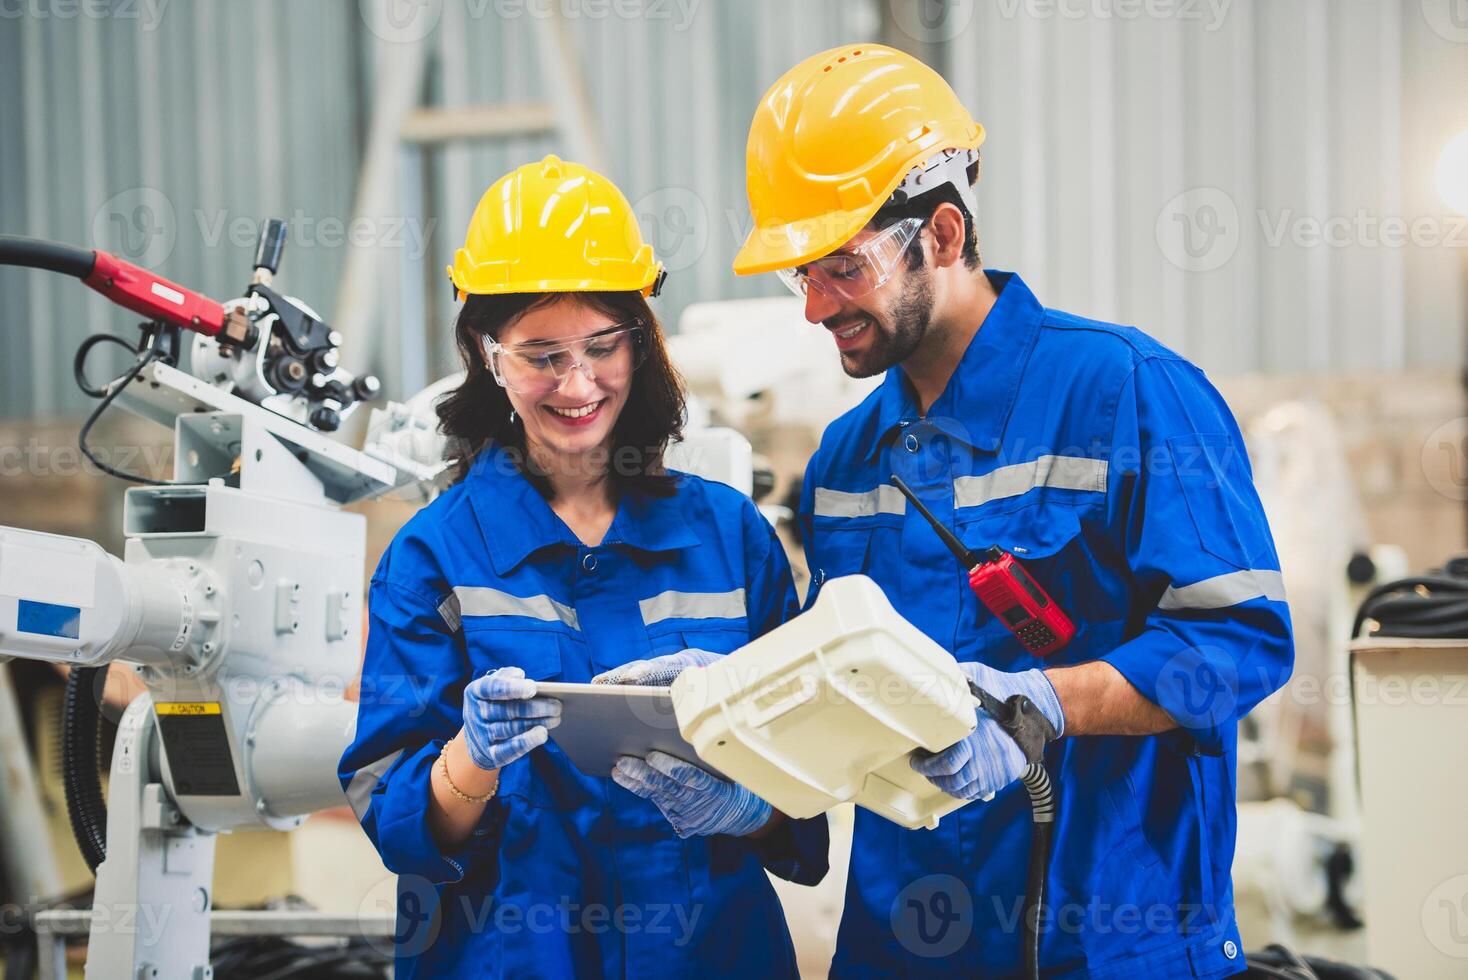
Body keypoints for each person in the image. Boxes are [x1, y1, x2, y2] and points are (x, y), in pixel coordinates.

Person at [729, 45, 1293, 977]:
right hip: (899, 950)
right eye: (802, 276)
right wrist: (719, 726)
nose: (816, 308)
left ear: (943, 234)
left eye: (844, 267)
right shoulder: (844, 461)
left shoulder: (1129, 393)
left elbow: (1241, 645)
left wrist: (1046, 705)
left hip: (1110, 944)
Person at [338, 155, 827, 980]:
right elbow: (397, 825)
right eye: (541, 355)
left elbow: (810, 776)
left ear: (640, 341)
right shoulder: (433, 557)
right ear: (488, 353)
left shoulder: (728, 535)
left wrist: (747, 809)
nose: (578, 382)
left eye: (603, 346)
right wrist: (469, 761)